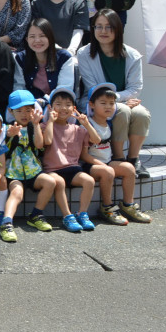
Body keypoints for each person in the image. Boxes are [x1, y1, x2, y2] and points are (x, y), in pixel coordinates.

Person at [77, 8, 152, 179]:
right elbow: (92, 88)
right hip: (96, 102)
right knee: (122, 110)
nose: (103, 31)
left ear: (118, 29)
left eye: (109, 27)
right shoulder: (84, 54)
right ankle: (118, 158)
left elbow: (135, 88)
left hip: (125, 100)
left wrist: (115, 99)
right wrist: (115, 103)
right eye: (99, 26)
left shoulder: (132, 55)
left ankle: (133, 159)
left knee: (141, 114)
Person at [0, 90, 64, 242]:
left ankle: (36, 214)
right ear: (10, 111)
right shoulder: (6, 128)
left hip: (33, 170)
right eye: (19, 110)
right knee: (17, 192)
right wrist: (10, 135)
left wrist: (36, 124)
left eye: (28, 110)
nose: (24, 114)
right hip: (13, 172)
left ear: (34, 110)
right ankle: (6, 223)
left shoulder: (34, 126)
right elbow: (1, 148)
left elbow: (40, 145)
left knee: (50, 182)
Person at [84, 82, 153, 225]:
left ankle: (128, 204)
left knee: (129, 168)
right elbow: (83, 155)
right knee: (108, 172)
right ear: (91, 104)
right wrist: (102, 165)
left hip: (106, 163)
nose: (108, 107)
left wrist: (106, 165)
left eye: (112, 103)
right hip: (90, 165)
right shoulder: (86, 125)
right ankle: (107, 207)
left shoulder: (109, 123)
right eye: (103, 103)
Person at [41, 86, 101, 233]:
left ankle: (82, 214)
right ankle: (67, 216)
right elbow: (47, 141)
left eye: (68, 105)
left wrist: (86, 123)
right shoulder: (45, 126)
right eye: (58, 104)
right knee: (59, 182)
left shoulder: (77, 129)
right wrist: (50, 121)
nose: (63, 108)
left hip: (73, 169)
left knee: (89, 181)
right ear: (50, 107)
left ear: (74, 109)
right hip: (52, 170)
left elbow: (97, 140)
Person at [13, 18, 76, 105]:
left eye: (42, 36)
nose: (37, 40)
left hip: (57, 105)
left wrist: (45, 101)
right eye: (32, 36)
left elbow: (64, 89)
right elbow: (19, 88)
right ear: (27, 39)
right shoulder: (20, 58)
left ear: (50, 37)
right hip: (29, 106)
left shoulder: (64, 57)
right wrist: (33, 103)